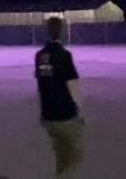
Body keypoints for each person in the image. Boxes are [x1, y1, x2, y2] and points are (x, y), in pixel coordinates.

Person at [35, 16, 84, 178]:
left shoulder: (41, 56)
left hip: (49, 114)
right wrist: (80, 111)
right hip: (65, 114)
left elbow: (43, 84)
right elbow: (72, 86)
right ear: (61, 32)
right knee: (74, 157)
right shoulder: (64, 55)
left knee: (60, 156)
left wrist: (43, 110)